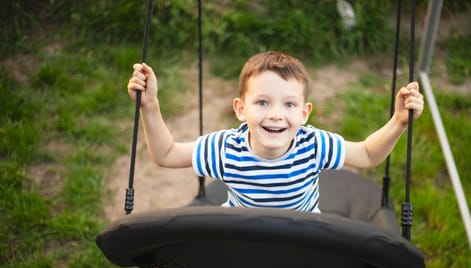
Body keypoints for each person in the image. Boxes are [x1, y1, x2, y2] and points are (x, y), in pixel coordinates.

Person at [127, 51, 424, 212]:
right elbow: (166, 154)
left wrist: (398, 122)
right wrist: (149, 105)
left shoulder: (314, 145)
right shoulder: (226, 149)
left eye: (289, 104)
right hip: (244, 238)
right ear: (240, 109)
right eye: (262, 102)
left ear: (305, 113)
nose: (276, 115)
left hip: (301, 239)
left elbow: (369, 154)